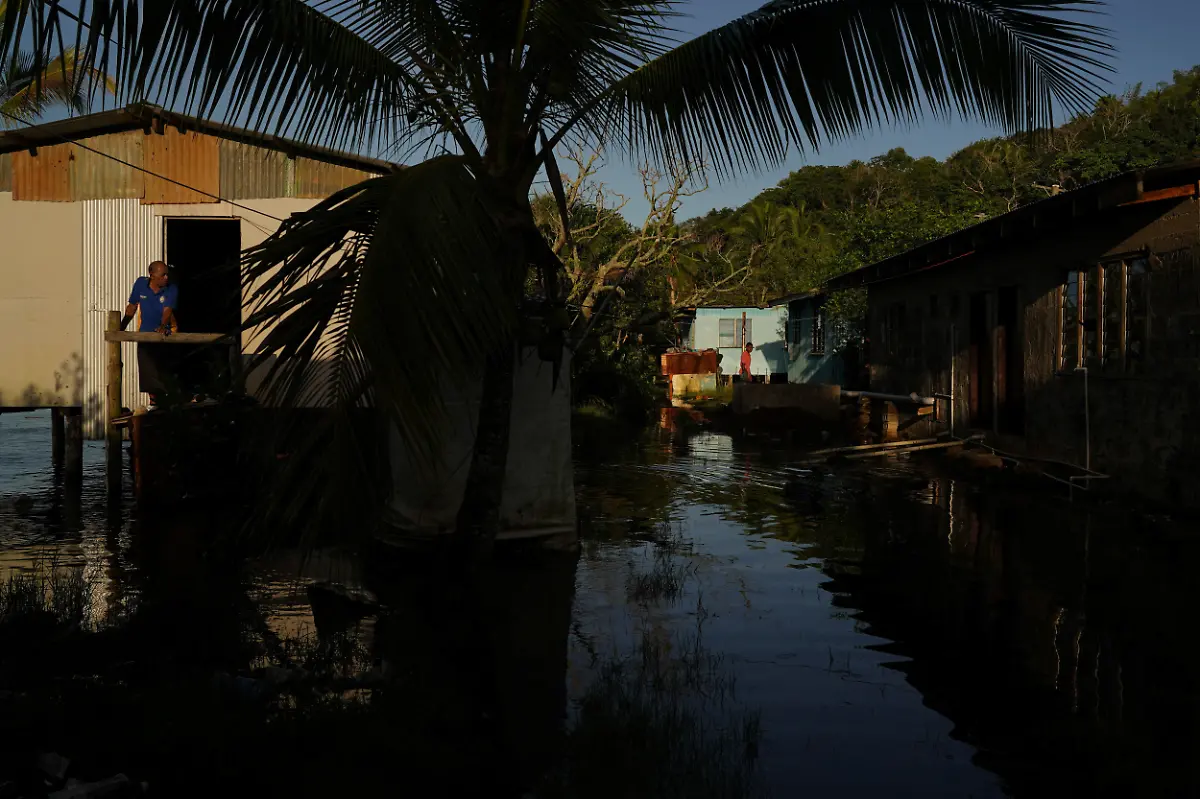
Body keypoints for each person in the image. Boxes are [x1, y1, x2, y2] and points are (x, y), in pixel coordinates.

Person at [120, 261, 178, 410]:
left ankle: (169, 397)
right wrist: (122, 326)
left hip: (165, 331)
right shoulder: (140, 284)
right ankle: (154, 401)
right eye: (162, 275)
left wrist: (162, 326)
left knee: (162, 366)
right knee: (146, 366)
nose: (166, 277)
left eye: (167, 274)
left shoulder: (171, 288)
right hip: (145, 332)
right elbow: (132, 307)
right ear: (152, 275)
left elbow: (167, 310)